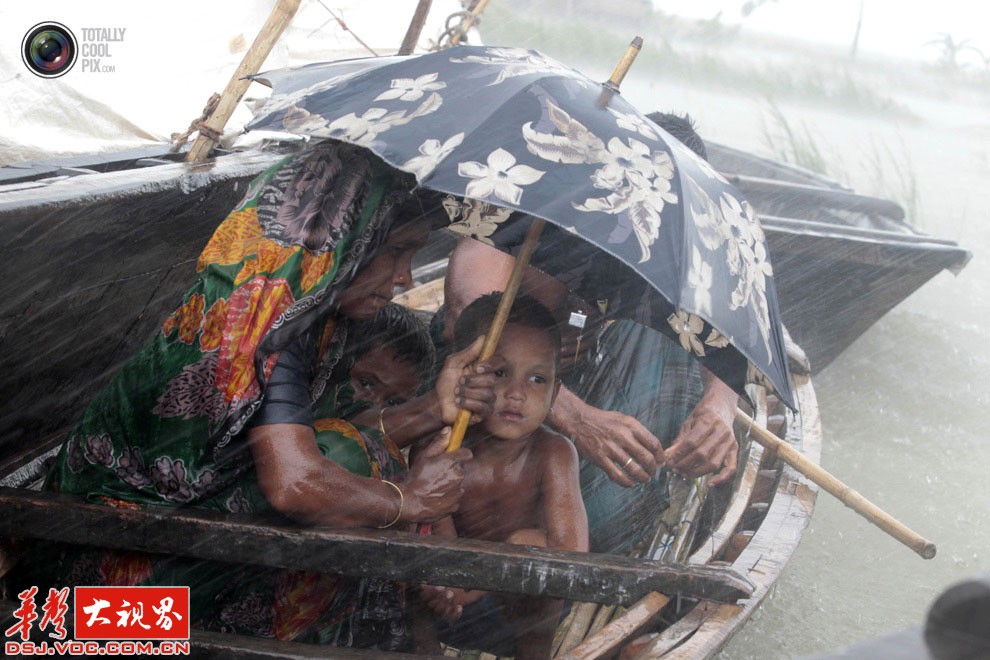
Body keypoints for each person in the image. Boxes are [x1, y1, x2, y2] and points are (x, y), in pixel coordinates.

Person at [27, 140, 497, 650]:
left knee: (356, 463)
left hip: (155, 561)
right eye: (397, 250)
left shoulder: (300, 316)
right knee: (352, 469)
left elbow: (305, 443)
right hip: (99, 599)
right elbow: (295, 484)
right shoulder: (262, 323)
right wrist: (410, 501)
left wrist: (434, 409)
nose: (404, 277)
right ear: (341, 235)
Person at [438, 112, 740, 554]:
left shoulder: (658, 241)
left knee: (673, 338)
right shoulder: (531, 209)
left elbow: (722, 324)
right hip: (481, 399)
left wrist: (720, 406)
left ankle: (622, 512)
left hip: (565, 391)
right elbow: (471, 321)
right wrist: (580, 421)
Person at [420, 293, 588, 660]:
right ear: (463, 374)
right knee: (410, 564)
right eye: (499, 373)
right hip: (449, 596)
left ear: (555, 394)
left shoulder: (553, 452)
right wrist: (445, 588)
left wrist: (501, 566)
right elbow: (440, 548)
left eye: (537, 379)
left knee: (533, 546)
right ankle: (423, 653)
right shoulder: (442, 448)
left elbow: (573, 554)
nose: (516, 394)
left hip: (520, 606)